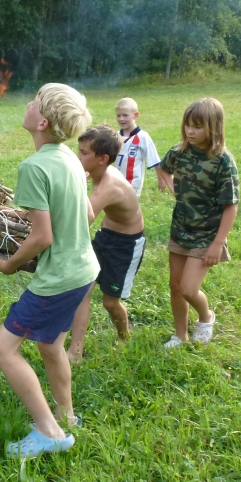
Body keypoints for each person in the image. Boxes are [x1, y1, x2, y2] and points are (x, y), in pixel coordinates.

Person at [0, 83, 99, 458]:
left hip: (59, 279)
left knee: (2, 349)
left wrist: (9, 264)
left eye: (34, 102)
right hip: (85, 270)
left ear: (43, 122)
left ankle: (48, 431)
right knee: (50, 345)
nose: (27, 103)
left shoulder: (34, 166)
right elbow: (87, 213)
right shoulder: (70, 157)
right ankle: (67, 416)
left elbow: (42, 237)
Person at [157, 98, 239, 349]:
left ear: (214, 127)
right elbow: (163, 168)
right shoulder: (178, 152)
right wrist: (174, 189)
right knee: (175, 285)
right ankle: (180, 335)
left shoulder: (222, 161)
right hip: (180, 229)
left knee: (188, 289)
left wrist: (218, 243)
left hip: (207, 235)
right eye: (187, 125)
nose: (190, 131)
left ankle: (206, 317)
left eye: (197, 126)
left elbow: (231, 205)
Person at [67, 124, 146, 363]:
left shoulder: (108, 186)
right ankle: (75, 351)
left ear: (102, 159)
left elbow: (82, 221)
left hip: (126, 245)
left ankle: (124, 337)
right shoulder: (97, 171)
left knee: (110, 302)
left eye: (83, 153)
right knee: (83, 289)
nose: (78, 156)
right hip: (106, 235)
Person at [113, 97, 161, 197]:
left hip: (133, 184)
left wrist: (161, 179)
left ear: (135, 115)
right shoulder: (115, 136)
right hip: (116, 181)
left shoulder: (143, 137)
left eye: (125, 115)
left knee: (126, 205)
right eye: (118, 115)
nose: (121, 119)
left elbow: (155, 160)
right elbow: (105, 157)